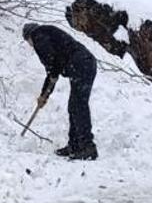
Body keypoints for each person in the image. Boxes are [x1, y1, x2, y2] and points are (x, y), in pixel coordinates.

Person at [22, 23, 98, 160]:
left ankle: (88, 147)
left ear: (29, 37)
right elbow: (53, 67)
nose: (31, 46)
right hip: (83, 64)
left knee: (78, 106)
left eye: (29, 43)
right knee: (74, 106)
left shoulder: (39, 36)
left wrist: (44, 94)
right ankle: (75, 145)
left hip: (80, 65)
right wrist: (45, 94)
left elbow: (52, 65)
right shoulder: (47, 33)